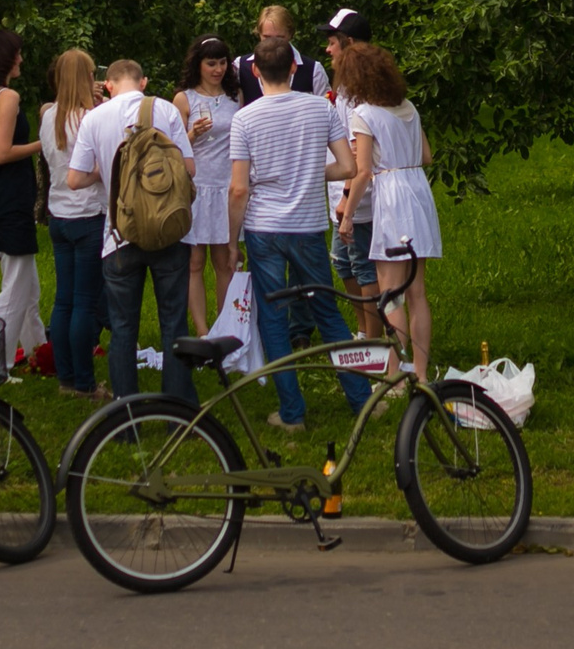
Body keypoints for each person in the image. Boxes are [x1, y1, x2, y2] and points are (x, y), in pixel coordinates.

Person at [229, 35, 371, 432]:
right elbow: (347, 167)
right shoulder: (319, 109)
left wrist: (229, 241)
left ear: (255, 72)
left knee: (273, 320)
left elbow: (239, 188)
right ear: (295, 68)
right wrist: (308, 172)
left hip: (263, 229)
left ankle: (292, 412)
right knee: (328, 312)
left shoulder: (245, 118)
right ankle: (361, 399)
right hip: (307, 226)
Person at [66, 58, 196, 400]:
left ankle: (126, 417)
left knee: (123, 329)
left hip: (119, 236)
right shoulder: (166, 110)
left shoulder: (94, 118)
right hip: (168, 231)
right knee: (174, 323)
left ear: (108, 85)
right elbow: (189, 168)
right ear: (143, 82)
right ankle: (178, 411)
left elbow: (74, 179)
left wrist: (108, 173)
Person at [332, 40, 443, 379]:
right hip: (418, 191)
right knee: (417, 291)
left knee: (390, 292)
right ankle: (420, 372)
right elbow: (426, 156)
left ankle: (394, 372)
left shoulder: (364, 114)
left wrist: (348, 214)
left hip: (392, 195)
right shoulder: (408, 106)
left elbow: (362, 171)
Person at [0, 29, 45, 377]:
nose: (21, 59)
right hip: (9, 194)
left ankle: (40, 353)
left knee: (28, 287)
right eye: (17, 53)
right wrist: (42, 143)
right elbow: (2, 152)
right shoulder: (9, 97)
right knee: (15, 286)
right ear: (5, 58)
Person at [38, 46, 110, 399]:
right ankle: (84, 381)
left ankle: (65, 376)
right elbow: (98, 165)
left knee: (63, 299)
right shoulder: (89, 119)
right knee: (85, 302)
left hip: (59, 215)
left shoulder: (48, 116)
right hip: (87, 215)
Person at [318, 9, 381, 336]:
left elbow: (358, 153)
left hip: (358, 196)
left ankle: (374, 337)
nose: (328, 50)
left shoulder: (360, 92)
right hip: (343, 195)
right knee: (344, 263)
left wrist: (346, 199)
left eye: (332, 43)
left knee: (362, 267)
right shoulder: (343, 87)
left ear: (350, 43)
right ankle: (363, 329)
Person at [174, 35, 239, 332]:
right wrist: (192, 135)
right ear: (198, 65)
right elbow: (172, 148)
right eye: (211, 63)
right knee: (194, 263)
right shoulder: (184, 98)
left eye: (223, 62)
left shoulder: (235, 96)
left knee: (225, 262)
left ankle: (224, 327)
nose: (218, 69)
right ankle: (203, 331)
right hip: (198, 186)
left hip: (227, 185)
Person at [229, 4, 326, 106]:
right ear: (259, 33)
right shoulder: (240, 67)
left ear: (290, 35)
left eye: (280, 38)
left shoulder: (313, 70)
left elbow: (325, 108)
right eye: (267, 37)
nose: (273, 43)